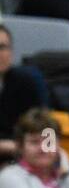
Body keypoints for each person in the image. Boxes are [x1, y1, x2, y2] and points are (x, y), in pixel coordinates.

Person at [0, 26, 46, 162]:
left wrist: (50, 152)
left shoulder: (27, 82)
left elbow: (46, 126)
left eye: (2, 47)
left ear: (11, 53)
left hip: (24, 159)